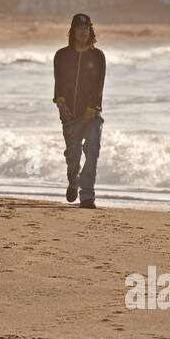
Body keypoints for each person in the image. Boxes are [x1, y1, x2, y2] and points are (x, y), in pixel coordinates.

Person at [52, 13, 106, 209]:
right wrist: (60, 103)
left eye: (87, 28)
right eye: (79, 28)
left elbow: (99, 86)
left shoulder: (98, 56)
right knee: (72, 157)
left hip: (92, 115)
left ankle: (87, 195)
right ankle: (73, 181)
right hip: (70, 116)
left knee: (93, 151)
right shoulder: (61, 56)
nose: (83, 31)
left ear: (90, 31)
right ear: (73, 31)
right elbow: (58, 84)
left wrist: (92, 110)